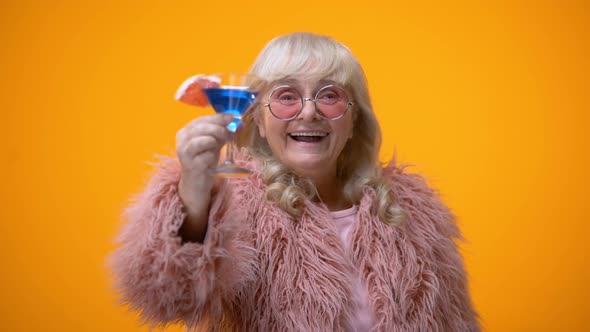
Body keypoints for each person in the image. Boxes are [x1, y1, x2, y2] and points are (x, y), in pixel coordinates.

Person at [109, 32, 480, 331]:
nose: (308, 111)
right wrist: (194, 188)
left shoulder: (410, 212)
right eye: (286, 96)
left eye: (330, 95)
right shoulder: (232, 208)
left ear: (353, 122)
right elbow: (170, 296)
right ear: (257, 120)